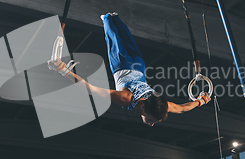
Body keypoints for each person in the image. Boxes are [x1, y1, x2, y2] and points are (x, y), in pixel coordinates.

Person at [49, 12, 210, 126]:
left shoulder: (159, 104)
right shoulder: (126, 99)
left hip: (139, 65)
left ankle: (116, 18)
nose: (151, 124)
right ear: (143, 108)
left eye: (153, 121)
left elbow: (182, 109)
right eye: (152, 120)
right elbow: (90, 89)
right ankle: (106, 18)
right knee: (112, 40)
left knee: (127, 40)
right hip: (121, 65)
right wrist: (64, 71)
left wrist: (201, 100)